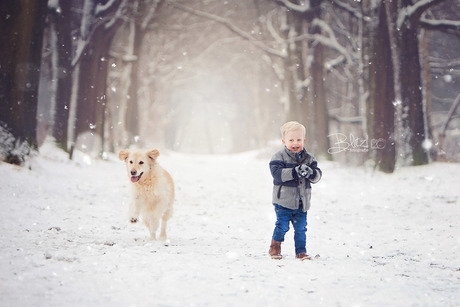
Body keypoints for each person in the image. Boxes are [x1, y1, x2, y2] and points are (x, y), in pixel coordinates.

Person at [268, 121, 322, 260]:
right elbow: (277, 174)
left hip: (301, 202)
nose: (295, 143)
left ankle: (301, 252)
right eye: (291, 140)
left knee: (301, 229)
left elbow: (317, 176)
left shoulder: (309, 158)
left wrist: (310, 172)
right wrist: (294, 171)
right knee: (282, 226)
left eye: (298, 139)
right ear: (284, 141)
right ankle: (275, 247)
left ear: (303, 140)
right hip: (283, 202)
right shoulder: (278, 157)